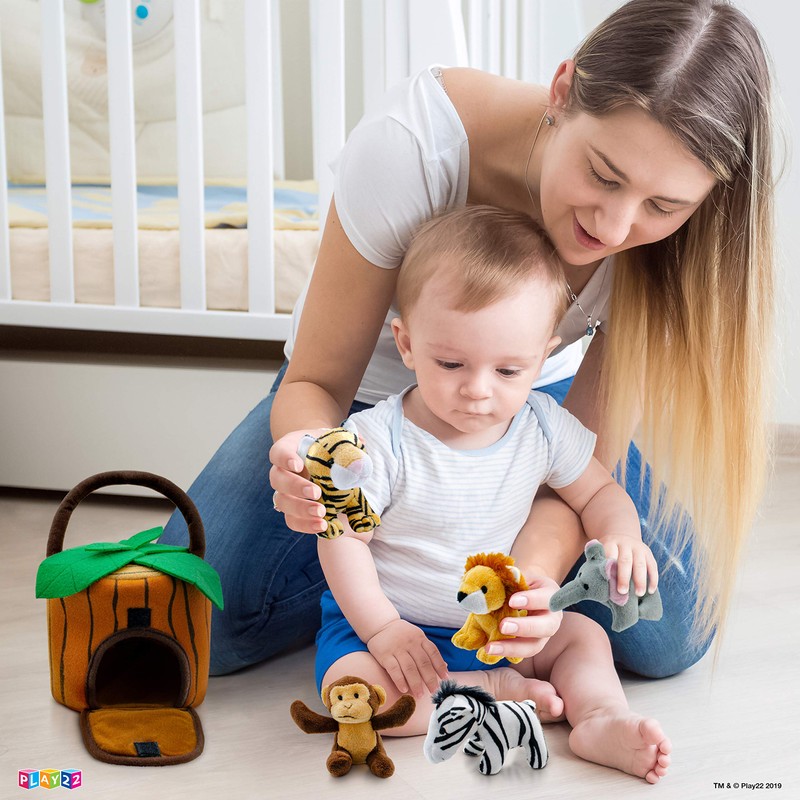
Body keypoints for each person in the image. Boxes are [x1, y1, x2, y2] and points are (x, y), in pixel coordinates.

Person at [160, 0, 775, 684]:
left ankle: (407, 563)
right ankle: (391, 566)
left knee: (673, 634)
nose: (613, 226)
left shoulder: (677, 250)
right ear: (562, 90)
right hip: (362, 407)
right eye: (604, 175)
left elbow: (581, 467)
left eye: (663, 206)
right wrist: (314, 465)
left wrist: (528, 583)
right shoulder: (412, 146)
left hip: (527, 411)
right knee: (195, 622)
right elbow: (318, 384)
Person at [314, 205, 670, 783]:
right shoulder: (377, 441)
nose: (478, 390)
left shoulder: (542, 426)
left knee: (583, 636)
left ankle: (600, 717)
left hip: (497, 627)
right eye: (451, 363)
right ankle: (493, 693)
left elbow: (599, 493)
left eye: (508, 371)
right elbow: (341, 540)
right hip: (391, 629)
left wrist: (622, 536)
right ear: (407, 343)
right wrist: (381, 628)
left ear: (544, 356)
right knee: (356, 695)